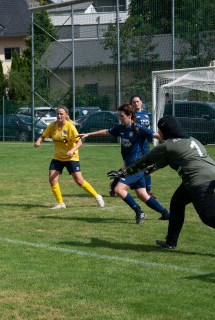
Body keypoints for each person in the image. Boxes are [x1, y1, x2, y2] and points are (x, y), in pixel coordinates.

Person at [109, 116, 215, 249]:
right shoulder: (192, 140)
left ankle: (171, 242)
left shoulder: (168, 146)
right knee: (177, 203)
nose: (158, 133)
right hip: (210, 174)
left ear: (167, 130)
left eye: (160, 130)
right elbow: (160, 163)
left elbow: (144, 161)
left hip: (198, 180)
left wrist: (123, 173)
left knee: (209, 217)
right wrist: (147, 171)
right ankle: (171, 242)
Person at [78, 103, 170, 224]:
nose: (120, 118)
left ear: (129, 115)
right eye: (119, 116)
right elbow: (106, 132)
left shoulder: (139, 128)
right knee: (142, 194)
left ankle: (139, 212)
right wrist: (89, 134)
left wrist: (173, 143)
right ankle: (166, 214)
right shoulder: (121, 128)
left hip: (138, 168)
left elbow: (157, 135)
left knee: (119, 189)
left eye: (121, 116)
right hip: (129, 167)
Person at [34, 105, 105, 209]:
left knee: (79, 181)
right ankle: (60, 203)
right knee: (52, 179)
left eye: (61, 114)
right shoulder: (52, 126)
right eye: (57, 113)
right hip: (58, 157)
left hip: (71, 157)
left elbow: (79, 142)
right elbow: (43, 136)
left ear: (66, 115)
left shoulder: (70, 127)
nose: (59, 116)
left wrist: (72, 150)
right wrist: (38, 142)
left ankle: (97, 196)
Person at [109, 95, 157, 198]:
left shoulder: (145, 113)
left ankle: (147, 192)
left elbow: (147, 127)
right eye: (134, 102)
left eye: (137, 101)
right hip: (134, 144)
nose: (136, 103)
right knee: (128, 167)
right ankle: (114, 184)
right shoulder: (129, 114)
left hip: (145, 144)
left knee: (146, 166)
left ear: (141, 102)